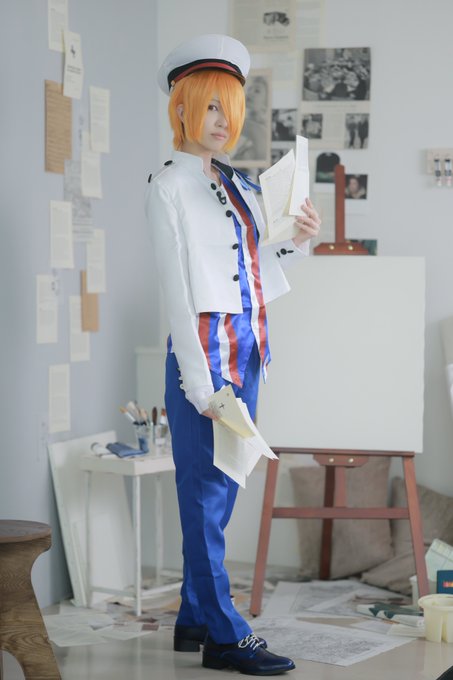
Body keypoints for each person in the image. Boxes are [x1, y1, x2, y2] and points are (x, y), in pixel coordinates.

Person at [145, 34, 321, 676]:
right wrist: (197, 385)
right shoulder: (167, 187)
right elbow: (176, 294)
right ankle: (224, 634)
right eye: (211, 106)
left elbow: (260, 261)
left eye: (231, 108)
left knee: (223, 488)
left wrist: (301, 238)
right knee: (202, 495)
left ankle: (194, 616)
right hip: (204, 356)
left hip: (248, 349)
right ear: (183, 107)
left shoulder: (241, 184)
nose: (223, 121)